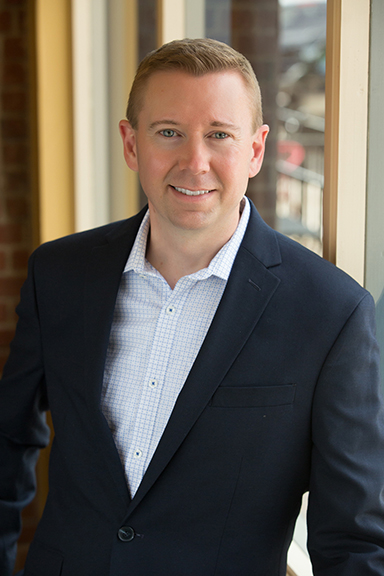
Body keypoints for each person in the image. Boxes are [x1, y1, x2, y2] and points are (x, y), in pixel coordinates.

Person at [0, 38, 384, 576]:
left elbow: (354, 543)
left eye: (219, 135)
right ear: (131, 145)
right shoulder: (58, 275)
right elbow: (9, 439)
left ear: (255, 149)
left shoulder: (332, 313)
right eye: (169, 133)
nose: (194, 161)